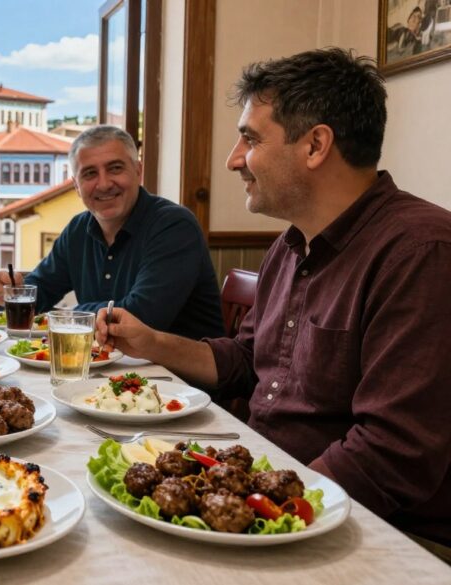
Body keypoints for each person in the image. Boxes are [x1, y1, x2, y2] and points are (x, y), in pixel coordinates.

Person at [96, 48, 451, 559]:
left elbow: (395, 453)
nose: (233, 159)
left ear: (315, 145)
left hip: (372, 528)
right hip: (270, 489)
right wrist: (151, 343)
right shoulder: (290, 245)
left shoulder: (419, 252)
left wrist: (258, 511)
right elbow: (245, 363)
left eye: (251, 138)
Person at [0, 125, 223, 340]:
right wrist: (9, 292)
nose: (103, 184)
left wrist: (70, 315)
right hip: (115, 369)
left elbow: (141, 317)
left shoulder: (174, 226)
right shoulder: (78, 230)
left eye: (115, 168)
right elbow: (38, 294)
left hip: (181, 380)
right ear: (76, 186)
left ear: (138, 171)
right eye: (90, 174)